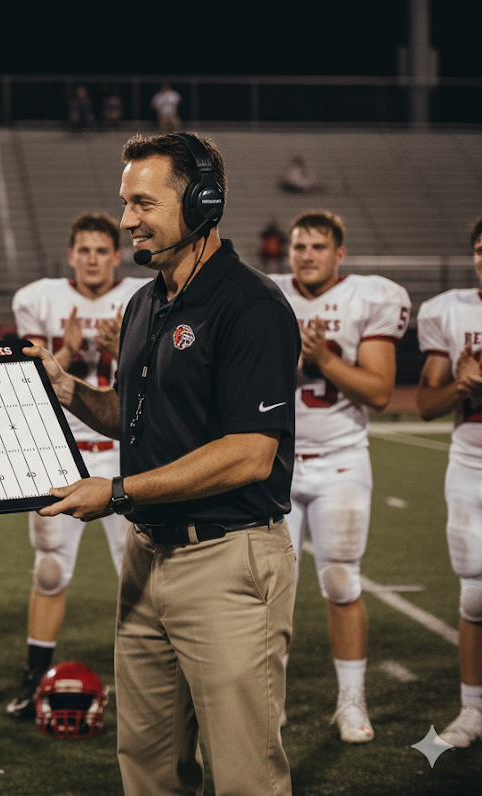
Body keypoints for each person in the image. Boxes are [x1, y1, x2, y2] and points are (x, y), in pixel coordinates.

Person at [28, 132, 299, 795]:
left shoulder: (251, 306)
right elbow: (136, 414)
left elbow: (250, 453)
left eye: (143, 203)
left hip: (227, 561)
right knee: (147, 770)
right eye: (125, 203)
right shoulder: (146, 302)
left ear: (203, 201)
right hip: (147, 557)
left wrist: (116, 492)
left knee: (244, 779)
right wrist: (66, 388)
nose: (126, 220)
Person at [269, 211, 411, 743]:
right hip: (275, 462)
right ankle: (269, 698)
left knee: (341, 581)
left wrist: (325, 360)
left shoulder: (367, 297)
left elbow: (378, 391)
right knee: (270, 590)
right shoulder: (268, 293)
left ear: (339, 253)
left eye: (318, 246)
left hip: (341, 462)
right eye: (299, 245)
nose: (306, 255)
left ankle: (351, 700)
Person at [5, 212, 149, 718]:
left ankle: (147, 681)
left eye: (100, 250)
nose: (91, 259)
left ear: (116, 255)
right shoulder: (40, 297)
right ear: (71, 255)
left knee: (138, 574)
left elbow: (153, 387)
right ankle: (32, 675)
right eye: (82, 250)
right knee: (48, 572)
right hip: (58, 452)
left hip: (123, 453)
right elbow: (26, 383)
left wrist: (121, 351)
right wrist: (64, 351)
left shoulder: (142, 298)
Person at [414, 214, 482, 749]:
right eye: (481, 248)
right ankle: (473, 707)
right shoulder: (451, 311)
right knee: (476, 594)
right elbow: (426, 406)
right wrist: (462, 383)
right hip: (470, 462)